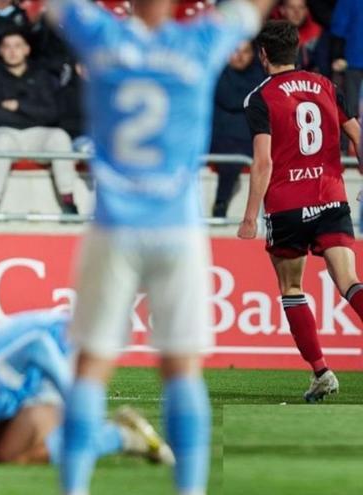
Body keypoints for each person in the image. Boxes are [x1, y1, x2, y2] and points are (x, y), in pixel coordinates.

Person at [46, 1, 275, 495]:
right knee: (182, 369)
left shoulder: (102, 37)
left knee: (91, 365)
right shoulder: (200, 41)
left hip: (113, 226)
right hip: (178, 229)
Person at [238, 20, 362, 401]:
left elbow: (263, 163)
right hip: (330, 198)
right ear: (297, 51)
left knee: (292, 288)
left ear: (263, 55)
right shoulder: (327, 86)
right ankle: (321, 373)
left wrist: (249, 217)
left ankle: (322, 371)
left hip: (288, 207)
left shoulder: (259, 97)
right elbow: (357, 137)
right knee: (350, 282)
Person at [0, 310, 174, 465]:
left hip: (63, 344)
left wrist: (72, 399)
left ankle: (121, 436)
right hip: (53, 327)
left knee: (8, 455)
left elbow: (37, 345)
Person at [0, 31, 80, 214]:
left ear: (27, 50)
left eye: (17, 46)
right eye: (7, 46)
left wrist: (19, 105)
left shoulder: (41, 73)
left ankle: (69, 202)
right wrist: (34, 111)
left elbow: (51, 114)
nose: (13, 51)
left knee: (59, 137)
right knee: (3, 141)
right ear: (1, 51)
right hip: (3, 133)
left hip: (36, 135)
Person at [210, 41, 265, 218]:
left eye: (246, 52)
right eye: (235, 51)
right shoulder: (214, 74)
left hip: (247, 140)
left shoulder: (262, 78)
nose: (240, 56)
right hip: (215, 136)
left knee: (233, 152)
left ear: (253, 54)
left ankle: (221, 203)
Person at [330, 0, 362, 114]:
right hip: (354, 61)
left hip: (353, 60)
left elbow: (338, 28)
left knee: (351, 111)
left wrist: (338, 55)